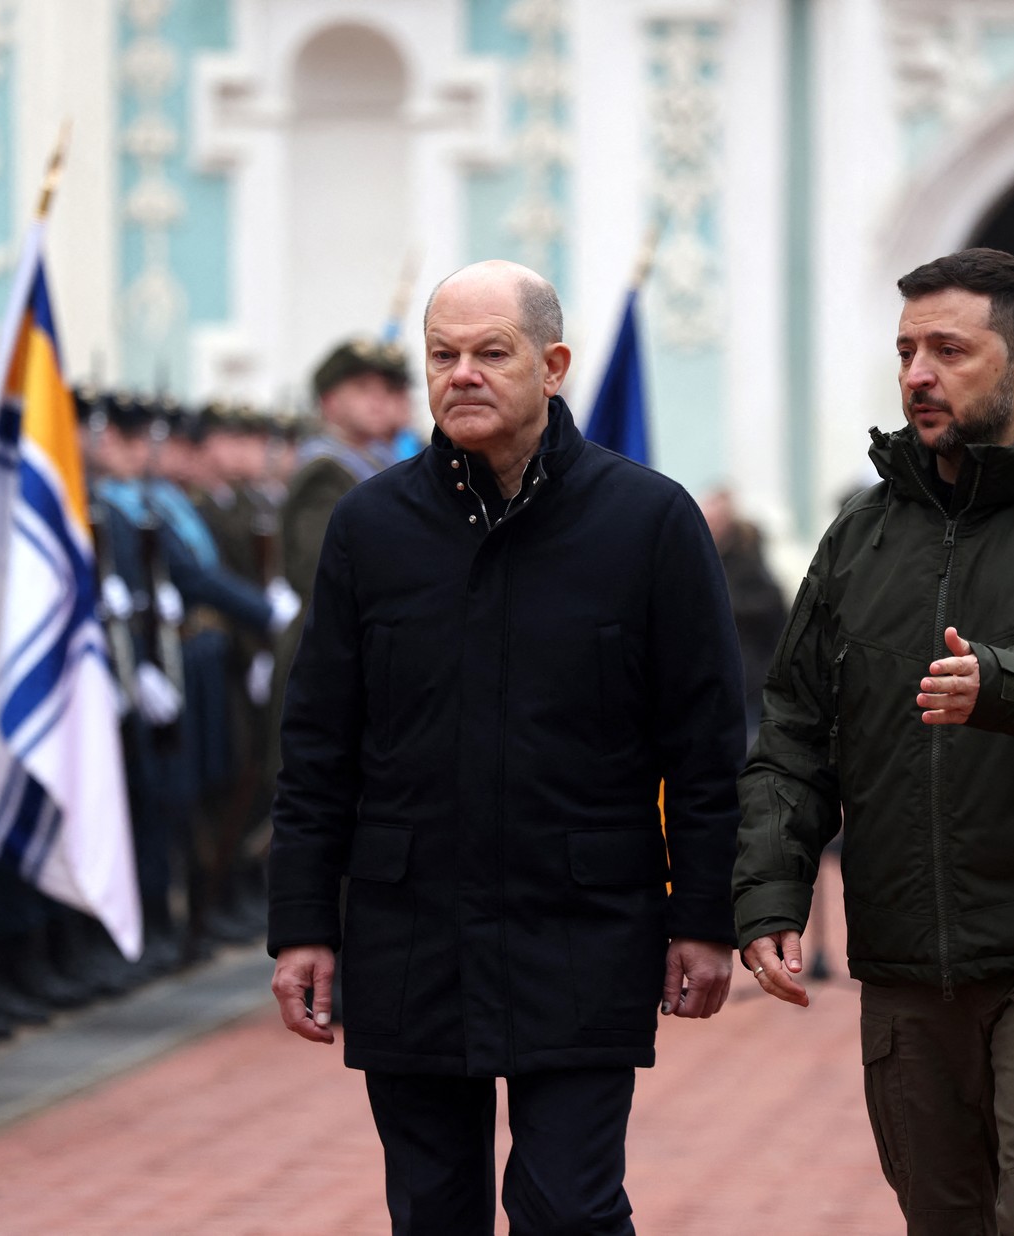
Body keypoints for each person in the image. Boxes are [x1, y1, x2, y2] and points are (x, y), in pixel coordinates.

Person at [269, 260, 744, 1235]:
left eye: (493, 352)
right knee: (432, 1213)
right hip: (411, 932)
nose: (463, 374)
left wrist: (704, 915)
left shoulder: (647, 522)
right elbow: (319, 746)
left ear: (554, 363)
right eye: (443, 355)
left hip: (581, 923)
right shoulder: (370, 528)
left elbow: (702, 743)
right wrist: (303, 925)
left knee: (569, 1209)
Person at [734, 248, 1014, 1235]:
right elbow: (796, 725)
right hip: (905, 962)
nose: (916, 375)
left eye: (948, 349)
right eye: (906, 351)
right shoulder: (862, 537)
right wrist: (769, 888)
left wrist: (1007, 681)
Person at [698, 487, 787, 734]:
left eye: (714, 520)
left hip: (751, 679)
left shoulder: (747, 560)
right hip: (722, 682)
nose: (710, 526)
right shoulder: (708, 558)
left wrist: (723, 606)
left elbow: (772, 607)